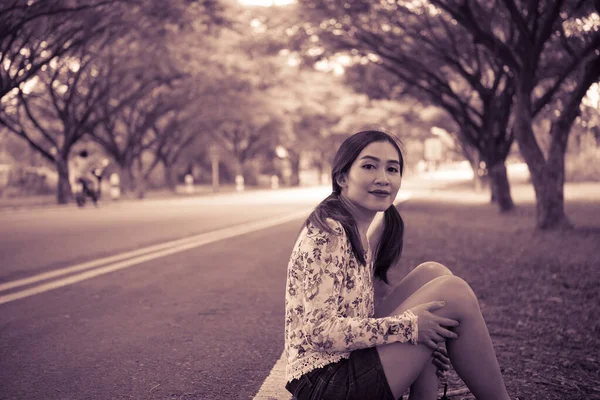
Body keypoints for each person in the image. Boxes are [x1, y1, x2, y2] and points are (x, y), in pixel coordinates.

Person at [284, 130, 510, 400]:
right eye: (369, 166)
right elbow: (319, 332)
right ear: (342, 177)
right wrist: (409, 327)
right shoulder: (328, 232)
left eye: (393, 169)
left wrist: (417, 329)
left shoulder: (355, 230)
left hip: (346, 365)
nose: (383, 179)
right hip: (324, 385)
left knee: (433, 275)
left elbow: (361, 318)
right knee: (452, 294)